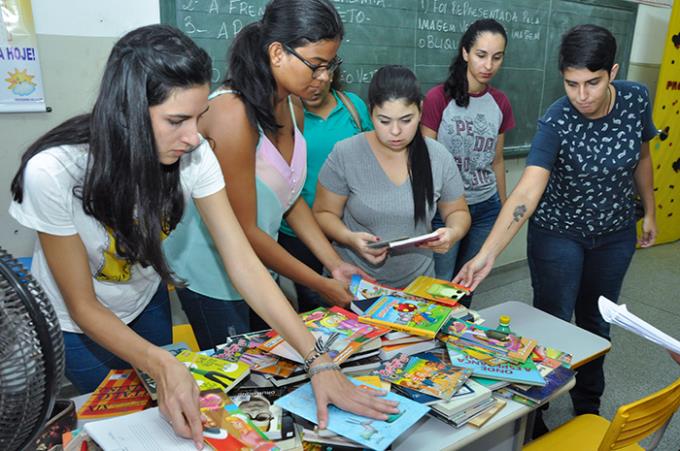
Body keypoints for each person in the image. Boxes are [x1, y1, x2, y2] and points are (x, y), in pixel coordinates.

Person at [9, 24, 398, 448]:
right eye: (177, 120)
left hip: (145, 303)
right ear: (127, 111)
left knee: (166, 420)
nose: (194, 136)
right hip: (77, 328)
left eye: (197, 117)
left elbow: (243, 262)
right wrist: (161, 363)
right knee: (118, 430)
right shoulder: (54, 172)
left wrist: (318, 361)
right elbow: (82, 305)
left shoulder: (194, 155)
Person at [455, 24, 657, 415]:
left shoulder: (636, 99)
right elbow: (527, 192)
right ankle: (536, 412)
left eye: (592, 83)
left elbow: (643, 156)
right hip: (558, 233)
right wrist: (487, 254)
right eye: (571, 83)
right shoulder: (557, 120)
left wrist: (648, 210)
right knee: (551, 323)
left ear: (612, 73)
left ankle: (587, 405)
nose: (582, 95)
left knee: (597, 321)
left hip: (614, 233)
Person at [164, 0, 366, 347]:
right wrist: (319, 285)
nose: (323, 77)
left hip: (258, 269)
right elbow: (244, 230)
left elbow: (291, 198)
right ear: (277, 53)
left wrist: (333, 264)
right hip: (214, 276)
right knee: (239, 375)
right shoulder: (232, 114)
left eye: (329, 66)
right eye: (315, 65)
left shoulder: (294, 105)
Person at [313, 65, 471, 289]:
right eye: (384, 121)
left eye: (406, 120)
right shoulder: (346, 153)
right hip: (357, 282)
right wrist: (349, 238)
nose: (395, 132)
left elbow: (458, 211)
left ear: (420, 111)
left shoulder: (438, 155)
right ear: (371, 113)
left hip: (419, 285)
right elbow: (323, 212)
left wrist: (453, 232)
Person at [421, 19, 515, 303]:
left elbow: (497, 160)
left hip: (485, 207)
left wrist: (502, 206)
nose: (489, 65)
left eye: (497, 57)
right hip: (446, 208)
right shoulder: (439, 98)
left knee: (467, 285)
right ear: (465, 53)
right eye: (481, 55)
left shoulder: (500, 103)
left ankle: (459, 342)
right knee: (439, 289)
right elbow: (426, 161)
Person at [278, 67, 373, 313]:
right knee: (314, 306)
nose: (314, 85)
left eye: (320, 74)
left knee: (358, 302)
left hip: (348, 228)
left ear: (331, 73)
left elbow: (373, 157)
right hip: (299, 231)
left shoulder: (353, 107)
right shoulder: (287, 114)